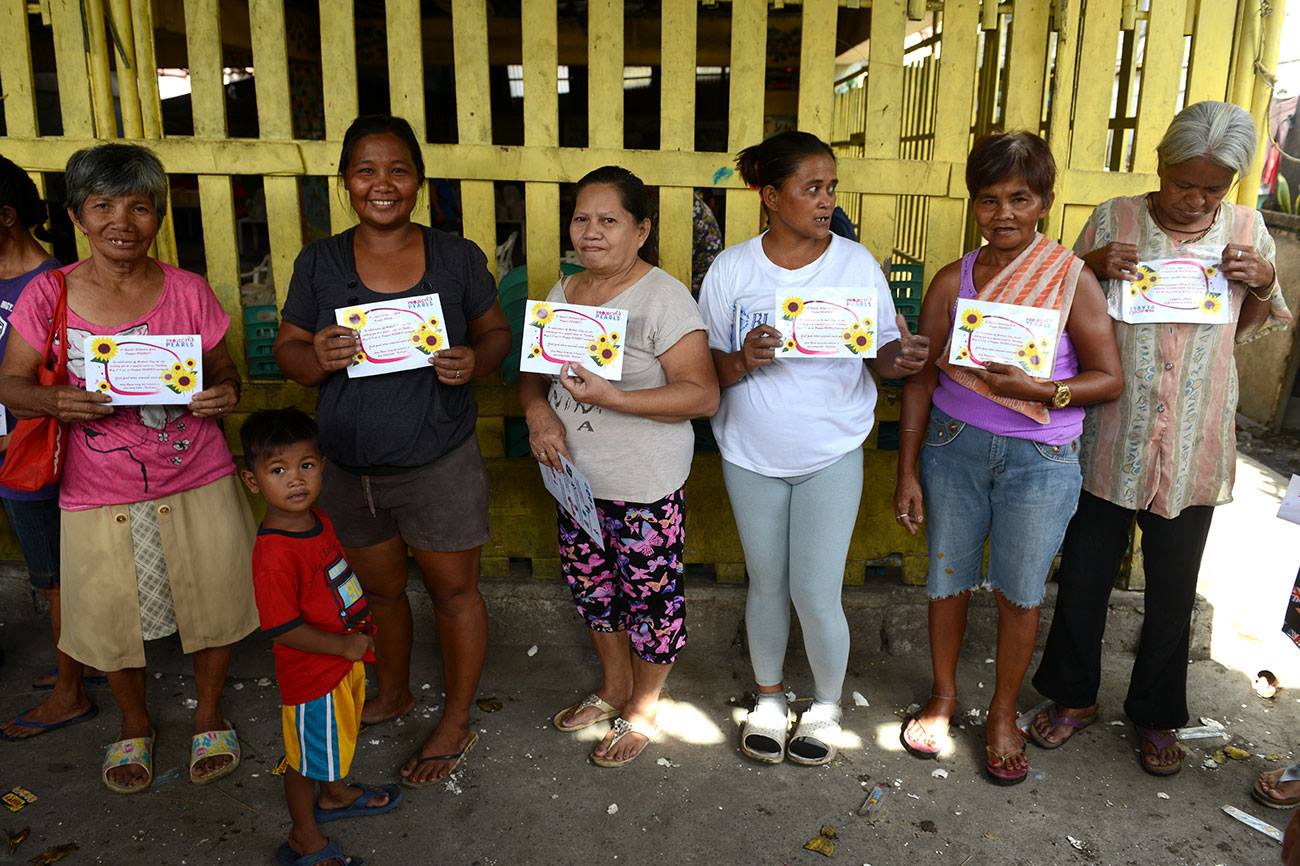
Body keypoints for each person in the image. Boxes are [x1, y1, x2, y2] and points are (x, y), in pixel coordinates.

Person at [1029, 101, 1292, 776]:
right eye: (1184, 183)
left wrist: (1264, 281)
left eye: (1213, 188)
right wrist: (1088, 264)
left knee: (1174, 587)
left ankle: (1156, 713)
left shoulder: (1247, 228)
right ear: (1161, 165)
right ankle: (1073, 696)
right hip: (1112, 433)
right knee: (1085, 572)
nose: (1195, 199)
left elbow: (1253, 324)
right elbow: (1058, 306)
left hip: (1195, 439)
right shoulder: (1114, 218)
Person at [0, 143, 256, 792]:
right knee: (113, 614)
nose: (122, 221)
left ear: (159, 216)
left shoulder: (188, 291)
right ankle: (134, 721)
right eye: (103, 206)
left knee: (216, 600)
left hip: (198, 473)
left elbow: (225, 369)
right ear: (76, 217)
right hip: (98, 487)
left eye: (139, 207)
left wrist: (224, 392)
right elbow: (11, 385)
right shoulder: (49, 294)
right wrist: (54, 401)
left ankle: (209, 713)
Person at [274, 115, 511, 787]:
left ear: (419, 182)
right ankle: (396, 692)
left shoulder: (455, 256)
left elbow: (494, 332)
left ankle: (456, 719)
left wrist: (475, 360)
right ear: (345, 182)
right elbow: (289, 350)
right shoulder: (319, 262)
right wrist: (315, 356)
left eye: (398, 170)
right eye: (366, 171)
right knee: (379, 595)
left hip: (438, 463)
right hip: (349, 471)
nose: (382, 184)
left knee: (454, 594)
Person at [891, 132, 1122, 785]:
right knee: (947, 579)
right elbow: (920, 380)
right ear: (974, 205)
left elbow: (1109, 378)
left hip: (1039, 459)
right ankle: (942, 696)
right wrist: (907, 470)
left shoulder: (1070, 278)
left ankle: (1000, 713)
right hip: (953, 448)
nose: (1003, 214)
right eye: (989, 200)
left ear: (1044, 203)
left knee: (1020, 594)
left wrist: (1043, 390)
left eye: (1020, 199)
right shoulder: (953, 280)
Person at [698, 131, 928, 765]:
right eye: (812, 188)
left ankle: (826, 706)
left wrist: (901, 357)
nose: (826, 200)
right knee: (767, 583)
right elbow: (704, 368)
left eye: (831, 188)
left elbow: (880, 356)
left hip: (832, 451)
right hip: (750, 453)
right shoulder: (733, 269)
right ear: (771, 197)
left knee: (817, 591)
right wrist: (742, 360)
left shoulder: (854, 263)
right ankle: (770, 698)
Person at [519, 166, 719, 767]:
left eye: (609, 220)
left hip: (642, 486)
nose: (592, 232)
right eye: (582, 219)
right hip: (576, 483)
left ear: (641, 230)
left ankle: (645, 706)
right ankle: (613, 687)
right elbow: (533, 375)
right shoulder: (563, 292)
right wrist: (539, 414)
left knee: (651, 601)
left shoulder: (663, 298)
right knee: (593, 590)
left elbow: (703, 395)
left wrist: (615, 398)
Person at [240, 408, 403, 866]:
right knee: (303, 759)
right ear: (252, 481)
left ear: (322, 467)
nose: (296, 479)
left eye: (306, 465)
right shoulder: (274, 554)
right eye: (278, 470)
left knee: (334, 740)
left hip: (343, 661)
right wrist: (344, 646)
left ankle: (334, 795)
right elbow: (281, 627)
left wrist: (354, 639)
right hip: (313, 675)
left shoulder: (318, 519)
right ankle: (304, 836)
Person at [0, 154, 108, 742]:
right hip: (15, 451)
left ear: (7, 216)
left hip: (35, 450)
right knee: (54, 575)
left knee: (59, 576)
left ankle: (70, 692)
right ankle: (79, 662)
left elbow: (68, 383)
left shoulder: (53, 287)